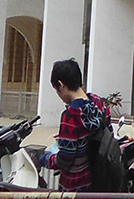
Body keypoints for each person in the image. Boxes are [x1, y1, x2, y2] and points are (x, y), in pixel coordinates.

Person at [43, 57, 110, 192]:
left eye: (57, 90)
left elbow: (65, 158)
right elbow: (108, 133)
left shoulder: (70, 115)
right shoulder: (99, 103)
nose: (59, 95)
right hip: (99, 180)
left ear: (61, 85)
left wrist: (46, 158)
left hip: (75, 187)